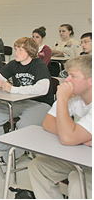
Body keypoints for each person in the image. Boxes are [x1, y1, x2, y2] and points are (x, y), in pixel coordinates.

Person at [28, 55, 92, 199]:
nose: (67, 80)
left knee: (77, 180)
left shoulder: (67, 96)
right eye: (68, 75)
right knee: (38, 166)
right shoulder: (74, 96)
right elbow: (48, 122)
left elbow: (68, 137)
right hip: (82, 155)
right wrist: (77, 136)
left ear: (91, 81)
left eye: (73, 76)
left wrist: (62, 98)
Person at [0, 37, 53, 166]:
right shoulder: (14, 64)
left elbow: (43, 88)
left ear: (30, 52)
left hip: (40, 103)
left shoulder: (39, 65)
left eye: (20, 50)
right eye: (16, 49)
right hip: (20, 102)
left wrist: (13, 89)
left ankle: (11, 157)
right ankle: (1, 149)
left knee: (24, 125)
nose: (16, 52)